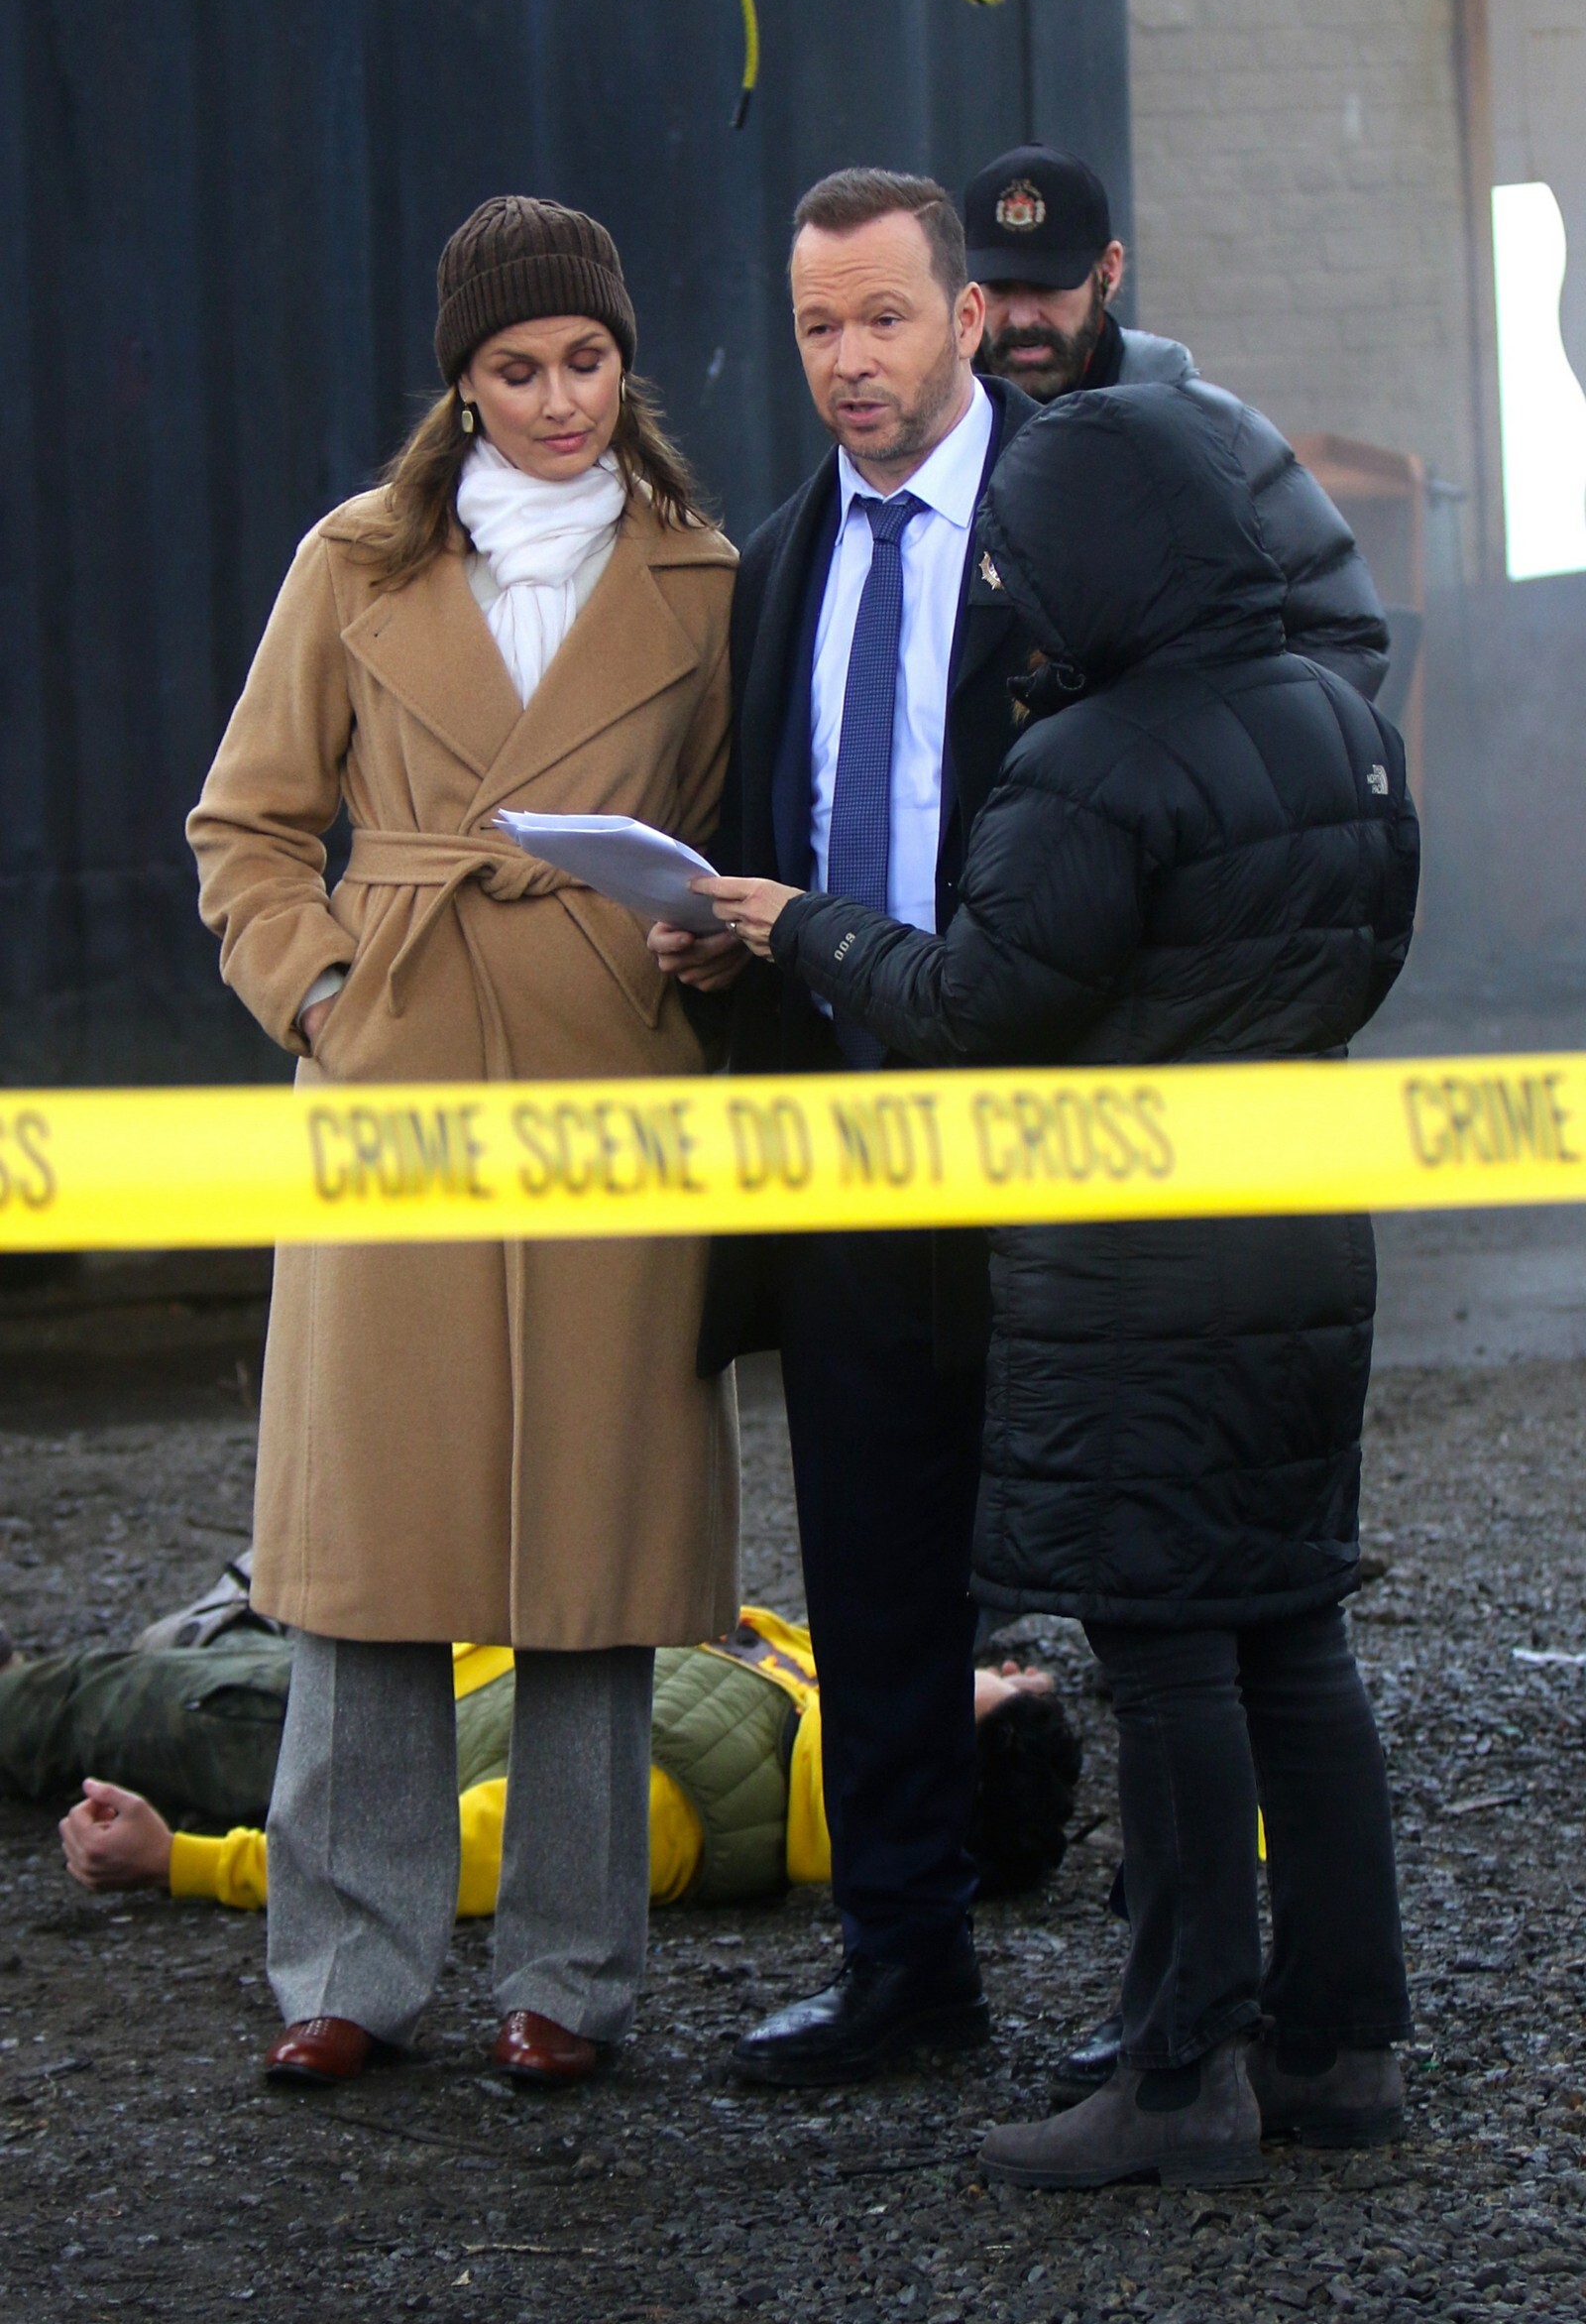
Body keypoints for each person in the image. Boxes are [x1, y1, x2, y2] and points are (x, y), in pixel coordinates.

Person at [695, 382, 1418, 2189]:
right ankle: (1340, 2050)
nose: (1009, 585)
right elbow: (1367, 957)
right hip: (1302, 1234)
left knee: (1165, 1655)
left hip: (1136, 1266)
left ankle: (1181, 2071)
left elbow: (973, 1003)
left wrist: (798, 924)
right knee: (1294, 1636)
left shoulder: (1090, 763)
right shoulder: (1341, 723)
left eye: (1026, 555)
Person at [185, 196, 739, 2090]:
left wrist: (707, 947)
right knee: (372, 1543)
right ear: (464, 382)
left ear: (624, 363)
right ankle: (348, 1967)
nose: (560, 397)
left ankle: (571, 1979)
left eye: (587, 359)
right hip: (400, 1064)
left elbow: (739, 834)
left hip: (612, 1074)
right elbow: (247, 826)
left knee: (592, 1544)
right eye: (518, 367)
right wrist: (330, 997)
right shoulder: (354, 561)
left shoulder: (701, 575)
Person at [648, 169, 1046, 2089]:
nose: (849, 359)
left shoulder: (1075, 516)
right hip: (837, 1140)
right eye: (817, 326)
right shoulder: (782, 559)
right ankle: (907, 1968)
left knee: (1128, 1561)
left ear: (965, 318)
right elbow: (778, 830)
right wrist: (711, 937)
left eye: (884, 317)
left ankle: (1192, 1991)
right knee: (875, 1571)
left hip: (1048, 1135)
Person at [10, 1614, 1076, 1917]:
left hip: (336, 1722)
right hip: (429, 1642)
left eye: (984, 1686)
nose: (990, 1664)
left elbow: (427, 1857)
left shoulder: (682, 1809)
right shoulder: (818, 1712)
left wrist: (179, 1862)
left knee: (65, 1704)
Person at [965, 145, 1390, 699]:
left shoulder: (1215, 436)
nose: (1022, 317)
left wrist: (1223, 746)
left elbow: (1345, 632)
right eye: (1000, 289)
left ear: (1108, 271)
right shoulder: (936, 444)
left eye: (1048, 287)